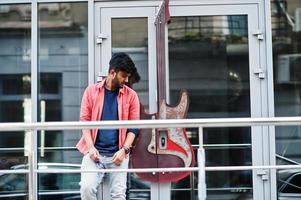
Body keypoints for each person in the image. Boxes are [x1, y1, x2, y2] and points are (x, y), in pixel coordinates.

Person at [76, 52, 140, 200]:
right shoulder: (91, 91)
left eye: (128, 76)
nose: (126, 80)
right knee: (86, 189)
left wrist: (124, 150)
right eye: (123, 76)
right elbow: (84, 121)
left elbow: (134, 127)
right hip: (94, 153)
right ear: (112, 72)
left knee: (118, 195)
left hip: (119, 154)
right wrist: (91, 148)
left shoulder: (131, 96)